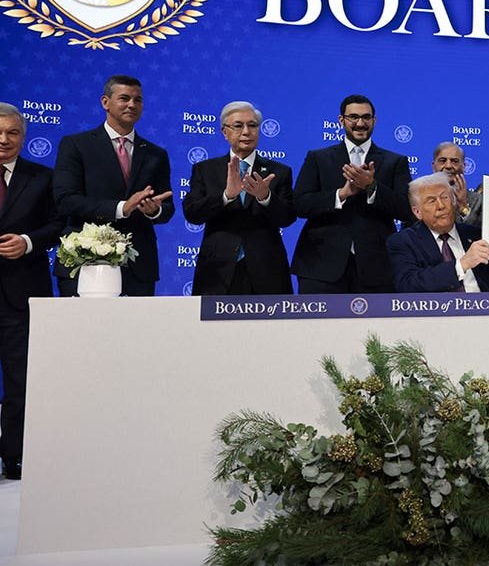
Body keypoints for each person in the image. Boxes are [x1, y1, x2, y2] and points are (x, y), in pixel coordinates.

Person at [52, 75, 173, 296]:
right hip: (86, 263)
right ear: (105, 102)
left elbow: (167, 209)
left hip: (139, 267)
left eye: (138, 100)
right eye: (124, 98)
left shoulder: (156, 154)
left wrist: (154, 211)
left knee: (135, 331)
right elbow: (66, 200)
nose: (132, 105)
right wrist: (121, 208)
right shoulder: (76, 145)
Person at [290, 94, 413, 294]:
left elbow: (407, 209)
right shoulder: (318, 158)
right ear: (341, 120)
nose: (360, 123)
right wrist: (341, 194)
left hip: (377, 267)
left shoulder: (395, 161)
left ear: (374, 120)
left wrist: (372, 187)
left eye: (366, 117)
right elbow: (300, 205)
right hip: (320, 266)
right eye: (353, 117)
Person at [0, 103, 62, 480]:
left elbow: (60, 223)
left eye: (12, 133)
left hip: (21, 294)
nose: (4, 140)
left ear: (23, 137)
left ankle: (15, 455)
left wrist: (27, 241)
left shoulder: (43, 177)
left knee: (21, 379)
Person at [182, 101, 297, 295]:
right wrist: (226, 196)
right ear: (224, 132)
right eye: (238, 126)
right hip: (217, 270)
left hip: (267, 270)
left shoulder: (279, 171)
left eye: (252, 125)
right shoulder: (205, 169)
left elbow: (288, 217)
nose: (246, 132)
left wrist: (265, 197)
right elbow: (192, 213)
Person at [388, 172, 489, 292]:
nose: (441, 206)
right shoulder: (403, 241)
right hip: (437, 323)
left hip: (487, 319)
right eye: (431, 201)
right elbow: (408, 285)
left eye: (445, 197)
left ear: (454, 201)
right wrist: (462, 264)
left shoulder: (478, 236)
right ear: (417, 212)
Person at [433, 142, 481, 226]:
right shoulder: (420, 197)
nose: (448, 166)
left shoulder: (478, 201)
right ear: (434, 166)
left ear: (463, 166)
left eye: (454, 161)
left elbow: (478, 234)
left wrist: (463, 207)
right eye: (442, 161)